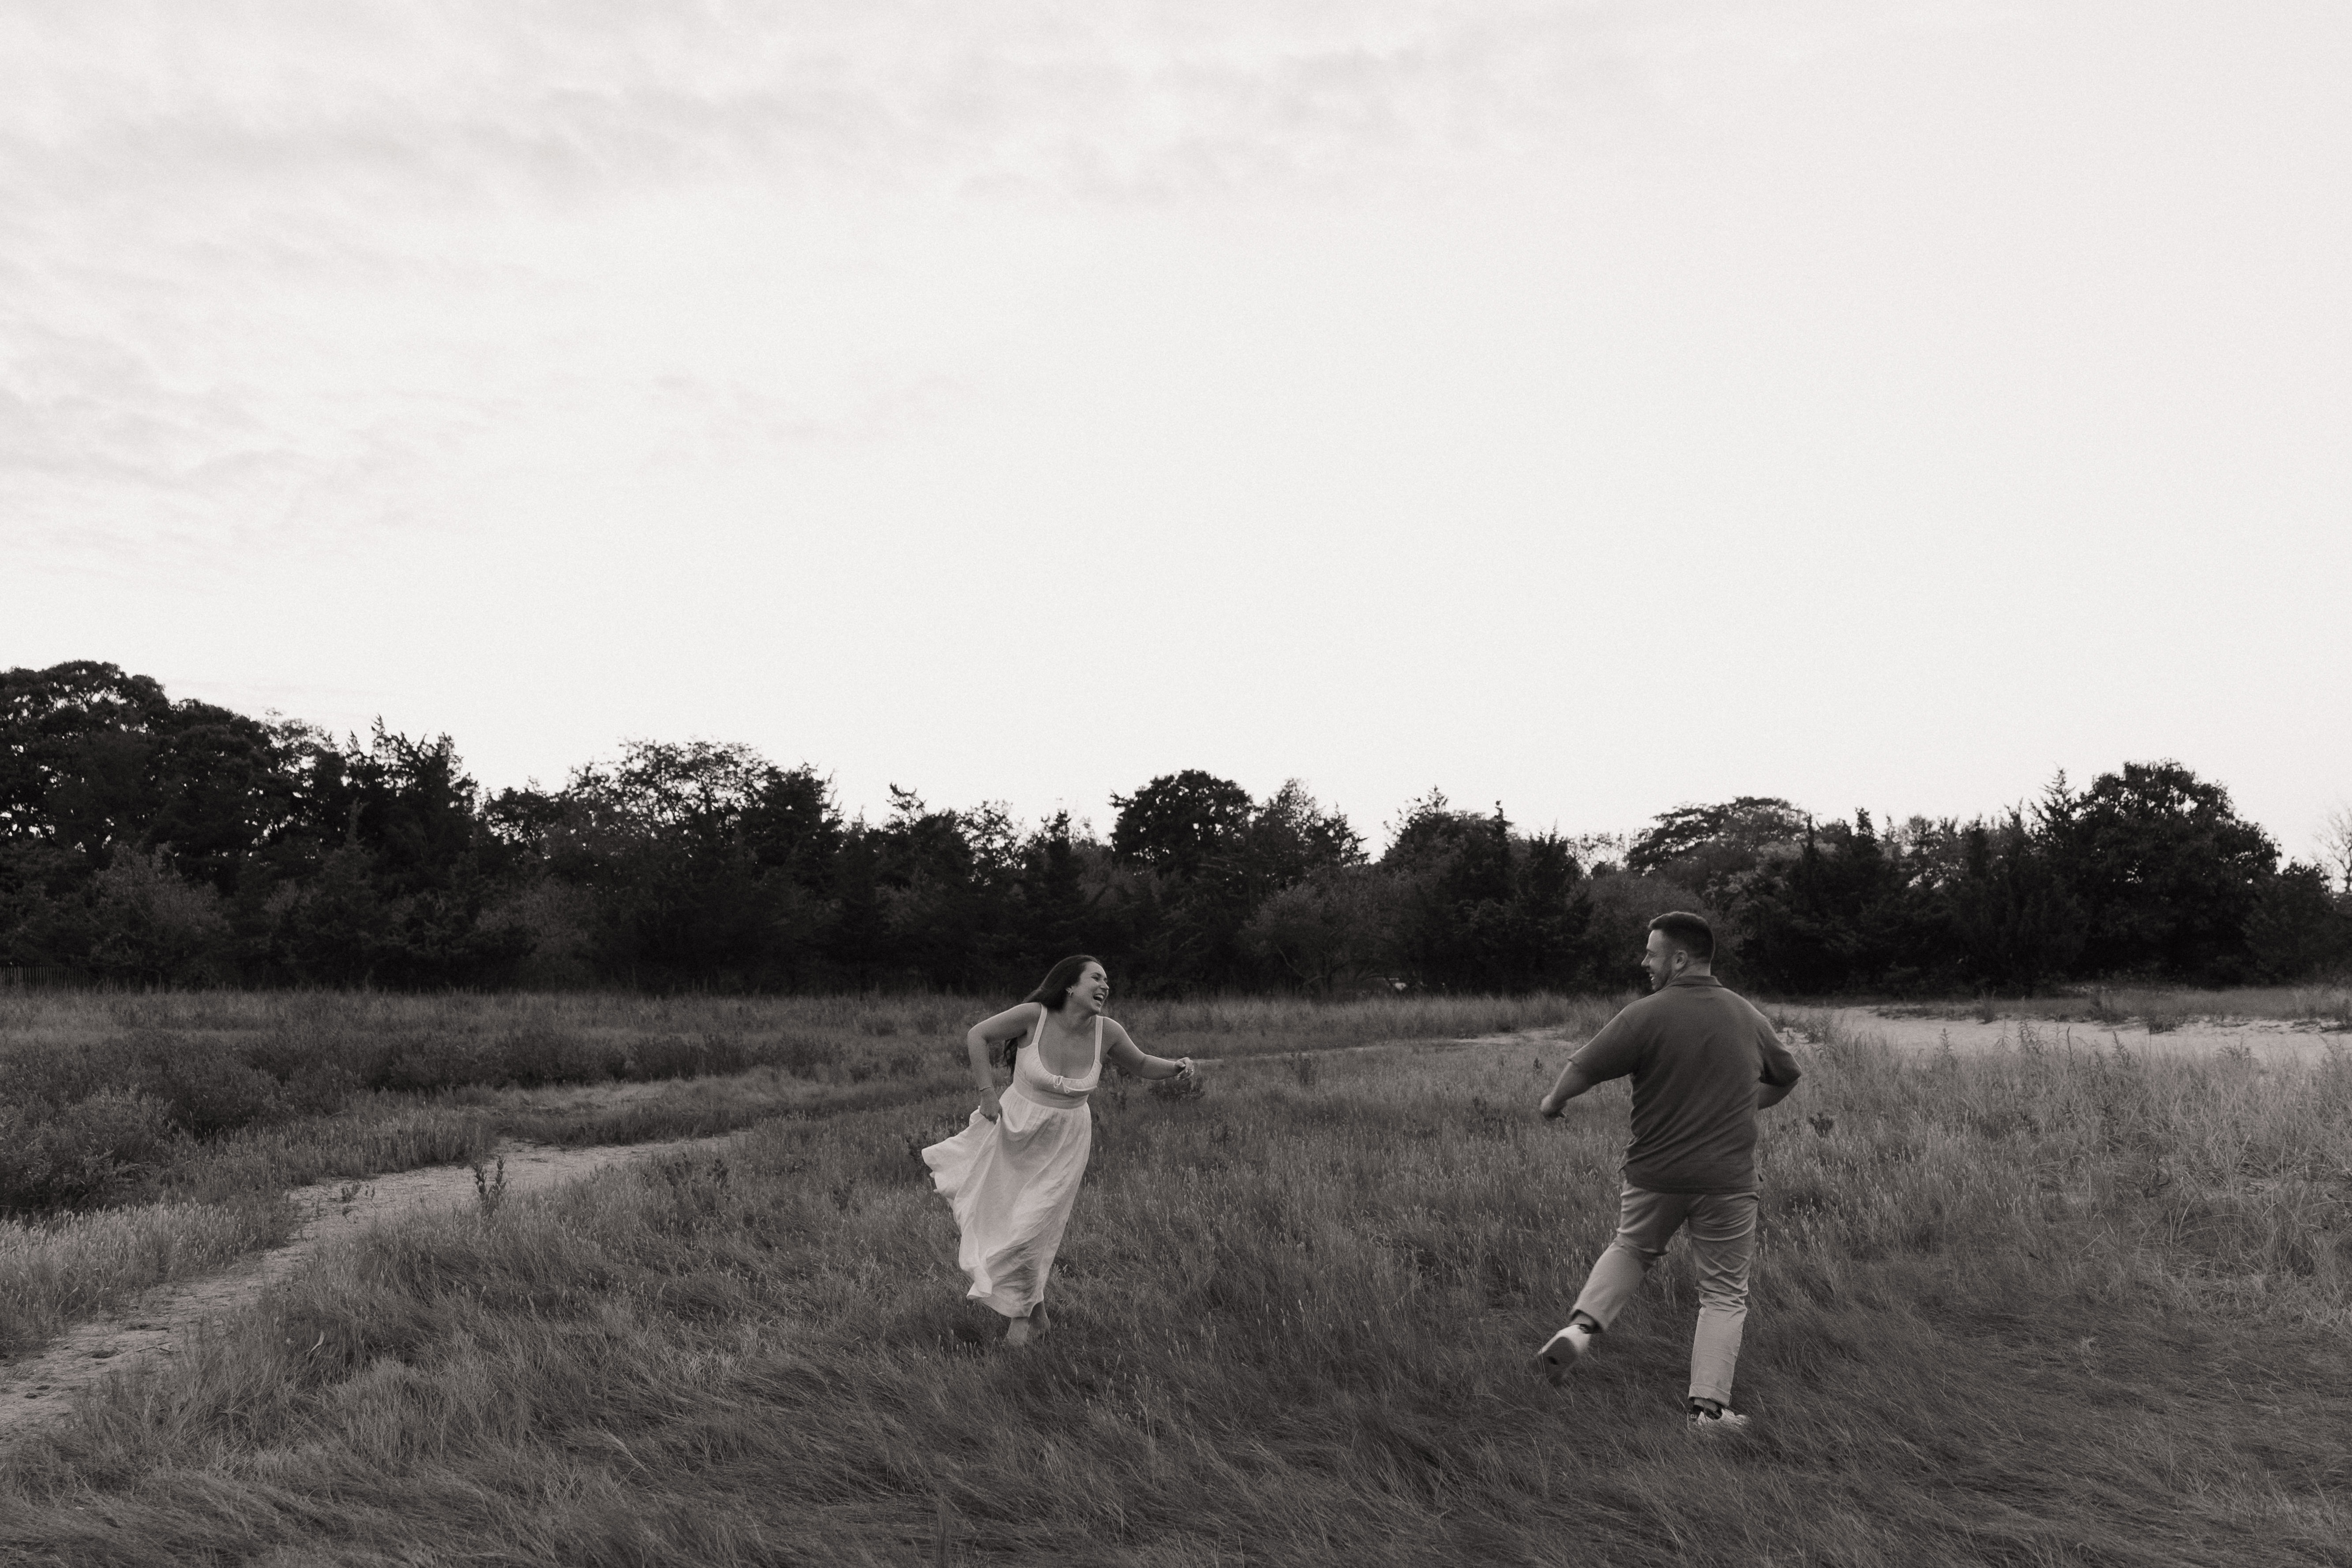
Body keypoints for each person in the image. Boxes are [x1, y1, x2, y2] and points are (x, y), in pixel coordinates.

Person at [1534, 911, 1803, 1430]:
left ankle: (1582, 1328)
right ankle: (1708, 1412)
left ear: (1679, 958)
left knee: (1631, 1248)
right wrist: (1746, 1104)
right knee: (1724, 1292)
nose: (1644, 961)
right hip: (1727, 1180)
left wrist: (1550, 1103)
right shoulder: (1747, 1015)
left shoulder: (1645, 1014)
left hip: (1654, 1173)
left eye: (1651, 953)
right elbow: (1788, 1075)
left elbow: (1582, 1067)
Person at [923, 955, 1197, 1346]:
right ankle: (1039, 1316)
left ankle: (1019, 1326)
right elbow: (977, 1036)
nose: (1105, 986)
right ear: (1070, 985)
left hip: (1066, 1142)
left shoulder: (1109, 1032)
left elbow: (1139, 1064)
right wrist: (987, 1093)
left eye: (1107, 981)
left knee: (1033, 1227)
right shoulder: (1033, 1016)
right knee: (1004, 1222)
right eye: (1096, 979)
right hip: (1015, 1132)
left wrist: (1175, 1067)